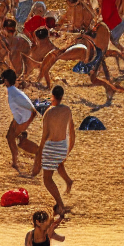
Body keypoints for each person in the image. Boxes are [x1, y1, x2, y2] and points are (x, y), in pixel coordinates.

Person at [32, 85, 75, 215]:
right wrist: (69, 148)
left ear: (52, 96)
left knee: (47, 179)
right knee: (58, 163)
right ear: (62, 96)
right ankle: (68, 181)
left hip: (52, 146)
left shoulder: (48, 112)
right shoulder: (67, 110)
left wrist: (39, 154)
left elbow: (45, 136)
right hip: (63, 145)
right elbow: (72, 131)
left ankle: (60, 204)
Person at [0, 68, 40, 171]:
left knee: (19, 142)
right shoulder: (13, 91)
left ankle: (38, 153)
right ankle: (15, 162)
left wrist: (26, 123)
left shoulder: (15, 94)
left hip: (23, 119)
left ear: (6, 81)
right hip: (19, 118)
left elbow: (32, 110)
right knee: (9, 137)